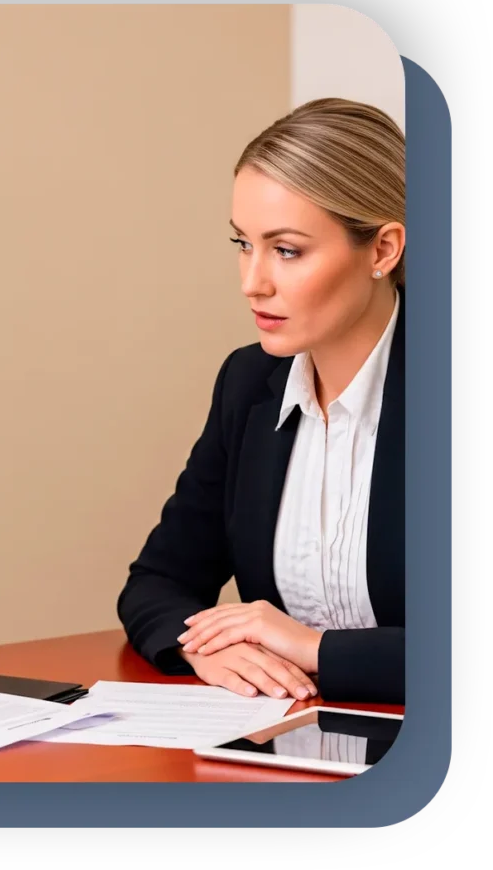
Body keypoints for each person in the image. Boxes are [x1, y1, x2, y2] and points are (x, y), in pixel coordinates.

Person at [117, 98, 405, 707]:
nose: (253, 281)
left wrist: (315, 649)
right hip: (292, 742)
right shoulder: (250, 383)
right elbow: (158, 583)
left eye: (288, 250)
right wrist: (206, 644)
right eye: (243, 243)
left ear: (382, 250)